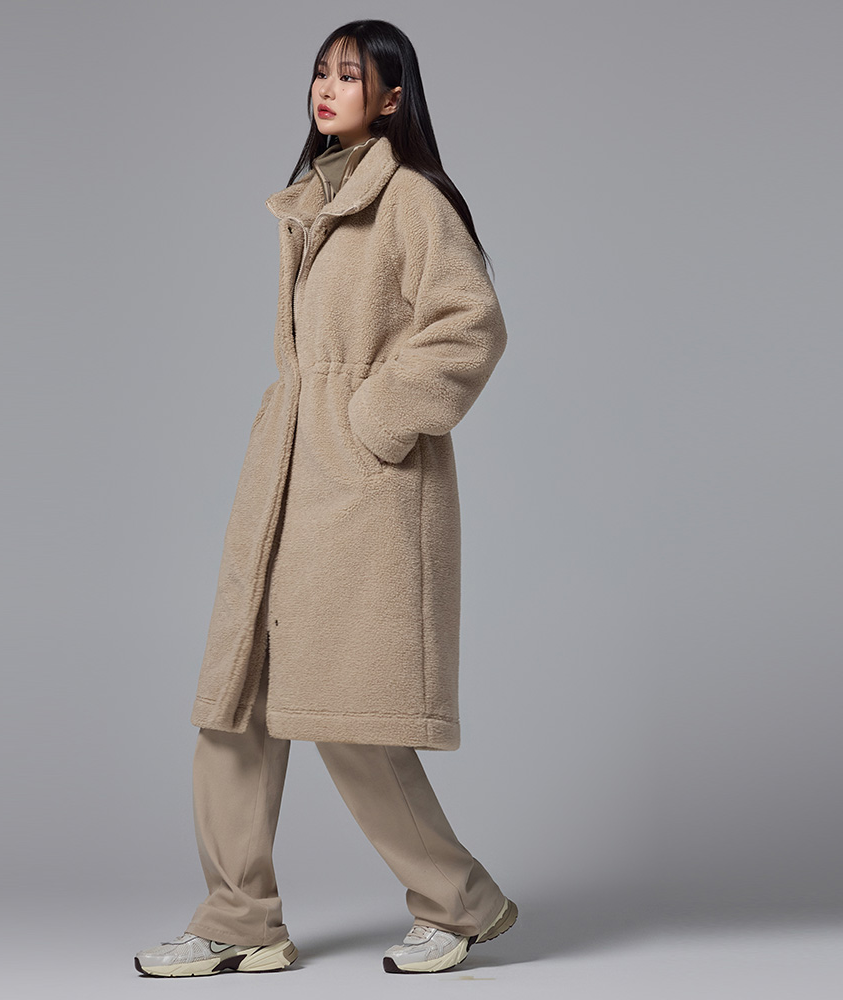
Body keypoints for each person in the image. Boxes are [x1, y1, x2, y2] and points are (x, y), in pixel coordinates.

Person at [135, 19, 514, 977]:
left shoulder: (411, 198)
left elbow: (469, 324)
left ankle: (460, 903)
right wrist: (317, 420)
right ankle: (239, 919)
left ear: (393, 97)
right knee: (237, 701)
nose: (327, 85)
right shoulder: (312, 198)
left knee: (351, 711)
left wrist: (373, 418)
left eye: (351, 73)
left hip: (365, 486)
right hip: (288, 474)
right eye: (321, 70)